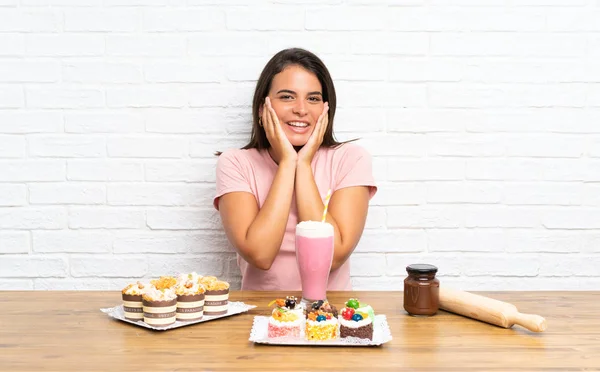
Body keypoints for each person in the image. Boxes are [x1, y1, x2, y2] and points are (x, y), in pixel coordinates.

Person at [213, 48, 377, 291]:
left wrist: (304, 166)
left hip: (330, 315)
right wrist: (288, 163)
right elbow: (261, 255)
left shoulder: (350, 159)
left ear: (325, 108)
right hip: (262, 316)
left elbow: (333, 258)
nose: (301, 109)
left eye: (313, 98)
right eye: (287, 97)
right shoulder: (235, 163)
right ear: (262, 108)